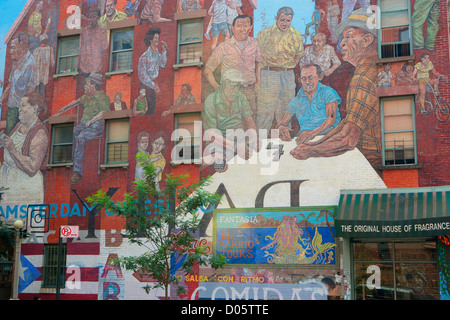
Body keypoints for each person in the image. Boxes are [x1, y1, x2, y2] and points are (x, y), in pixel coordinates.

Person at [290, 9, 380, 168]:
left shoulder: (364, 77)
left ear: (367, 40)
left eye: (349, 36)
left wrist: (312, 151)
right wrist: (315, 143)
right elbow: (347, 122)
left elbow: (348, 138)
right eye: (342, 38)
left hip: (371, 160)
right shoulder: (368, 69)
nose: (341, 43)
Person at [204, 15, 261, 121]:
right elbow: (208, 70)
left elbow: (258, 62)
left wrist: (258, 82)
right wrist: (218, 88)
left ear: (251, 28)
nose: (242, 29)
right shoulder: (224, 47)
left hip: (250, 90)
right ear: (233, 28)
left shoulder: (255, 43)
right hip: (230, 93)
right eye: (239, 26)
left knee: (251, 123)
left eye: (246, 26)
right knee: (233, 124)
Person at [256, 7, 304, 132]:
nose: (285, 23)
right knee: (265, 110)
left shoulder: (297, 35)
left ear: (291, 20)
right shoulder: (264, 34)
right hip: (268, 73)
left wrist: (286, 67)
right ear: (276, 18)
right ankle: (260, 144)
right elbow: (257, 57)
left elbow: (298, 56)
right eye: (282, 20)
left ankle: (284, 141)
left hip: (287, 75)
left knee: (285, 110)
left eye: (288, 20)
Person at [202, 68, 258, 172]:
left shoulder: (241, 97)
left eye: (238, 86)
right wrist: (236, 147)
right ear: (223, 84)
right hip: (218, 145)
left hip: (239, 141)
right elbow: (212, 135)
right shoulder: (211, 100)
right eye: (232, 86)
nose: (235, 90)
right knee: (221, 165)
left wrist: (254, 137)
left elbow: (249, 120)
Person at [0, 91, 48, 204]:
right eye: (19, 106)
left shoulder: (39, 133)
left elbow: (32, 168)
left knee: (22, 221)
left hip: (25, 186)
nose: (19, 109)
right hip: (7, 181)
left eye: (23, 105)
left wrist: (12, 149)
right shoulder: (18, 125)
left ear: (34, 108)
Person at [277, 63, 341, 144]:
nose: (307, 82)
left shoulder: (328, 92)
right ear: (300, 80)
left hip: (329, 133)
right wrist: (280, 127)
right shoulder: (296, 101)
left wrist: (312, 133)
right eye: (303, 78)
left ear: (320, 77)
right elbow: (282, 122)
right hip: (304, 135)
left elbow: (331, 118)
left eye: (311, 78)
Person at [70, 74, 110, 184]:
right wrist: (61, 110)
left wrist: (91, 121)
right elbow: (76, 101)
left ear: (93, 85)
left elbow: (104, 112)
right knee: (72, 133)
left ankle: (77, 171)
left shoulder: (103, 97)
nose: (85, 87)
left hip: (96, 124)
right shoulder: (86, 97)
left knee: (81, 137)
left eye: (87, 84)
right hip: (84, 123)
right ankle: (70, 161)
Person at [1, 32, 37, 134]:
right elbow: (10, 85)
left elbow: (31, 89)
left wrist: (23, 107)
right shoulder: (15, 63)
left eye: (13, 48)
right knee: (9, 137)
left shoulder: (30, 63)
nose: (10, 52)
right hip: (11, 109)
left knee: (17, 140)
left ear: (21, 46)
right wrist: (1, 100)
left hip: (21, 111)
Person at [138, 27, 167, 115]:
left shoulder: (156, 54)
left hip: (153, 84)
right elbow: (142, 75)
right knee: (148, 109)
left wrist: (164, 50)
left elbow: (162, 64)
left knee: (153, 108)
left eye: (158, 38)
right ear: (150, 40)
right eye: (155, 38)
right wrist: (153, 86)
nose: (157, 40)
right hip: (146, 85)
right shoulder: (145, 56)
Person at [79, 9, 108, 75]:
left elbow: (105, 49)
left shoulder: (102, 31)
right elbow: (80, 48)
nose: (91, 20)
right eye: (89, 18)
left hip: (97, 67)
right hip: (84, 67)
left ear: (98, 18)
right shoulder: (84, 31)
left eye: (94, 17)